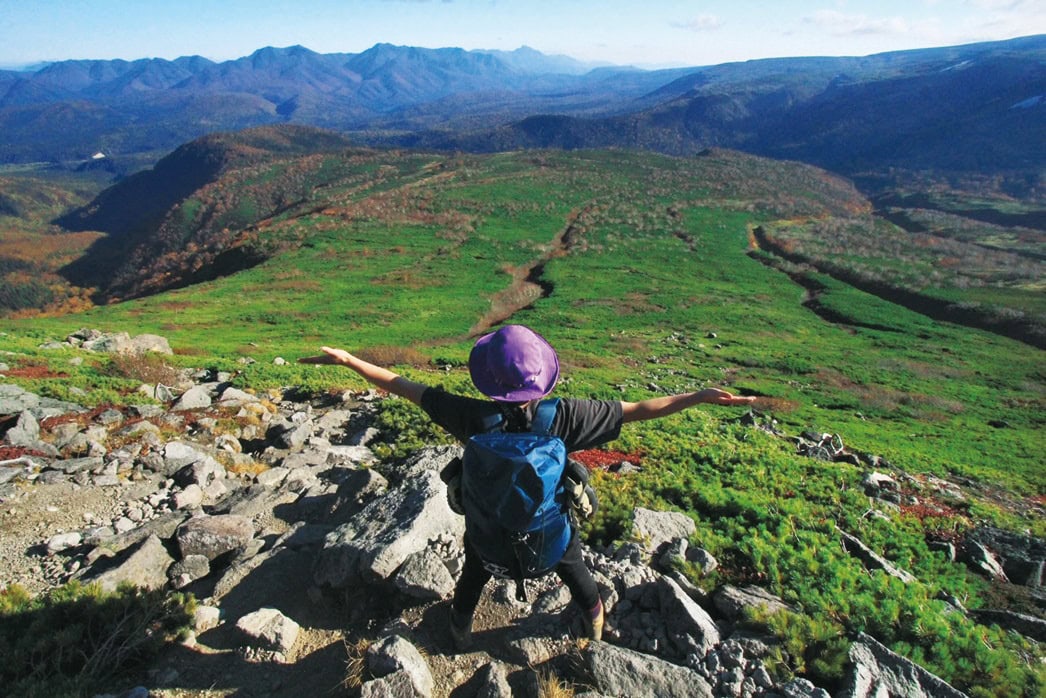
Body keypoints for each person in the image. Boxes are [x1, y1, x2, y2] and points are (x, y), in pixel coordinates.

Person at [300, 324, 755, 649]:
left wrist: (348, 361)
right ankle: (594, 626)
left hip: (489, 539)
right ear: (543, 377)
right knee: (576, 569)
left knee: (473, 572)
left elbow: (402, 385)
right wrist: (697, 396)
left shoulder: (471, 417)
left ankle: (460, 630)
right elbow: (639, 408)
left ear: (488, 380)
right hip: (549, 540)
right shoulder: (565, 417)